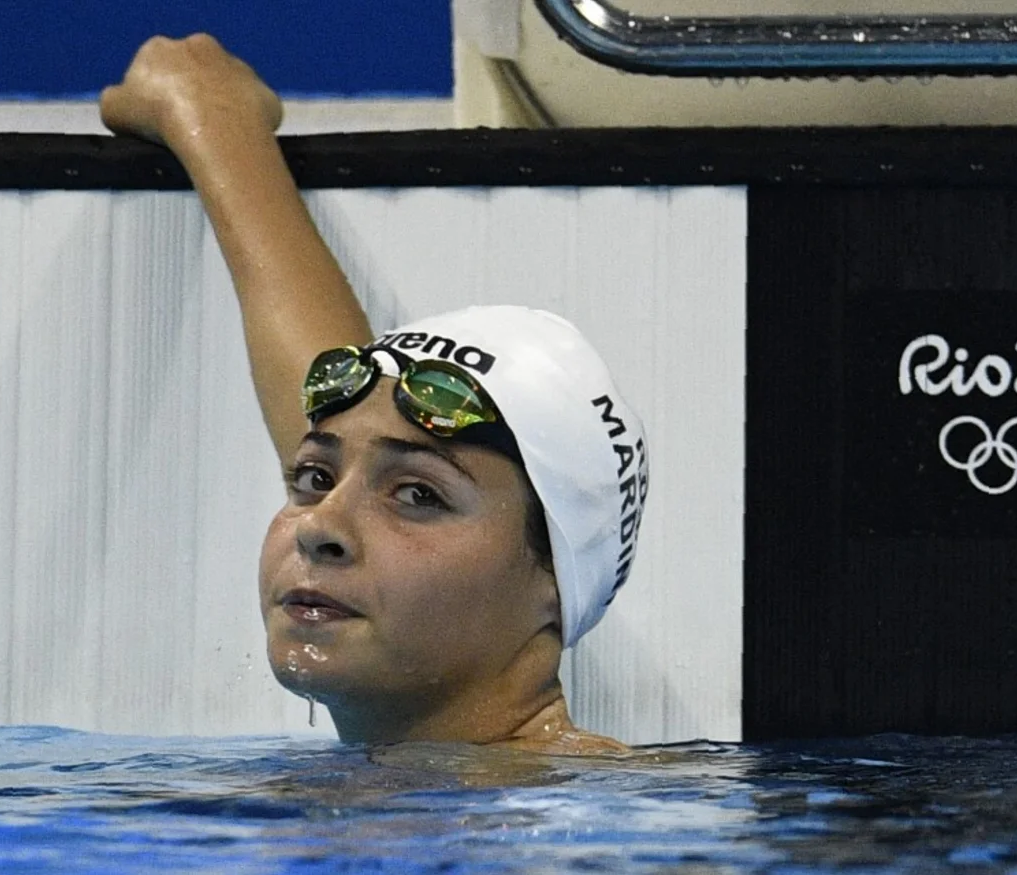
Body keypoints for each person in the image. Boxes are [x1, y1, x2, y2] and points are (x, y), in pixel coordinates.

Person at [99, 34, 648, 754]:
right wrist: (214, 120)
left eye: (419, 495)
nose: (319, 524)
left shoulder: (595, 839)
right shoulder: (409, 796)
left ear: (555, 579)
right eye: (313, 476)